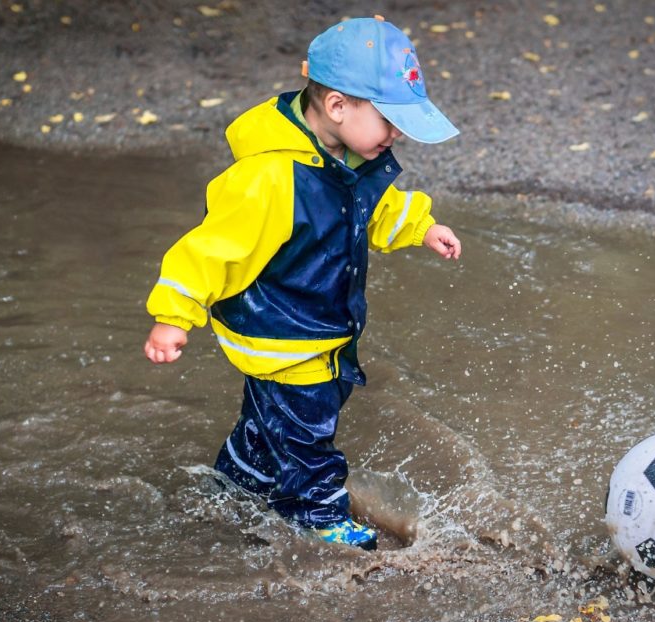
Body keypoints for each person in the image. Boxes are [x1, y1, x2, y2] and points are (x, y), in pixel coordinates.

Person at [142, 16, 461, 551]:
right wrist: (173, 317)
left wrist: (422, 228)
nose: (397, 134)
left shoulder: (347, 157)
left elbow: (371, 210)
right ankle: (316, 517)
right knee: (310, 437)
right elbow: (210, 248)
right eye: (389, 119)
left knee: (268, 422)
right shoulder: (268, 177)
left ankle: (235, 484)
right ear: (338, 106)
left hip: (309, 327)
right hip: (287, 334)